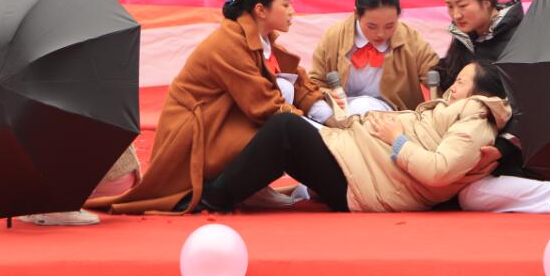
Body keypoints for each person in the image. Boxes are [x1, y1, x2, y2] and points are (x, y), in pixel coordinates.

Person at [86, 0, 335, 214]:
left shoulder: (262, 39)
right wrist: (322, 133)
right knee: (281, 133)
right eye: (286, 4)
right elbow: (263, 106)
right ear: (261, 10)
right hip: (197, 136)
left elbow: (298, 81)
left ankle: (254, 186)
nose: (293, 11)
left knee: (287, 110)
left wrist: (327, 115)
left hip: (223, 124)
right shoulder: (229, 43)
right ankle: (234, 188)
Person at [197, 62, 511, 213]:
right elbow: (316, 72)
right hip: (360, 158)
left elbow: (439, 171)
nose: (452, 87)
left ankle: (216, 195)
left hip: (363, 181)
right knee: (286, 122)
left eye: (460, 82)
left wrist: (397, 139)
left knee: (285, 129)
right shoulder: (459, 112)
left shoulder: (476, 120)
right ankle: (222, 185)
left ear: (480, 92)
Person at [18, 0, 141, 227]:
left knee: (123, 182)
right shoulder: (39, 13)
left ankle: (53, 196)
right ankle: (53, 201)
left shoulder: (75, 10)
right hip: (46, 114)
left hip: (74, 114)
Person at [310, 0, 440, 115]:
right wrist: (329, 94)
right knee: (315, 109)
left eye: (390, 26)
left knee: (362, 107)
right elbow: (314, 83)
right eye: (372, 26)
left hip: (394, 116)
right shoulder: (334, 37)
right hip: (341, 112)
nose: (381, 34)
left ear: (398, 15)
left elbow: (436, 76)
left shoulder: (411, 40)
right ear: (357, 14)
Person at [433, 0, 523, 92]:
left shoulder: (519, 38)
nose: (456, 15)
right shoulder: (464, 36)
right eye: (450, 7)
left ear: (487, 0)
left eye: (462, 5)